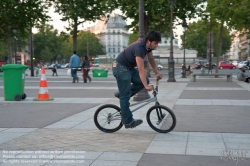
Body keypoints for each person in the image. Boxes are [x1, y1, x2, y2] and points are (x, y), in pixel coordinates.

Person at [112, 30, 163, 129]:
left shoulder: (147, 47)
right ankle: (128, 121)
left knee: (144, 81)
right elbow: (140, 69)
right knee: (126, 95)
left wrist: (157, 72)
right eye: (155, 43)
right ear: (149, 41)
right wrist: (145, 86)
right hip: (120, 68)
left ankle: (121, 94)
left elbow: (151, 59)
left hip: (128, 68)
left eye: (157, 43)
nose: (157, 45)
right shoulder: (140, 48)